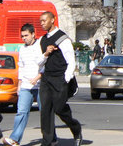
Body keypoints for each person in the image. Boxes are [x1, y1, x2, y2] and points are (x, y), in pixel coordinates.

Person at [38, 11, 82, 146]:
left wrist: (65, 79)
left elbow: (71, 61)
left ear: (53, 20)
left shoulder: (63, 39)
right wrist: (45, 54)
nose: (42, 23)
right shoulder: (43, 39)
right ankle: (48, 141)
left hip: (59, 78)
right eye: (41, 21)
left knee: (59, 108)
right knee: (45, 110)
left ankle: (76, 128)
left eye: (44, 20)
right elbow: (39, 62)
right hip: (46, 79)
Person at [4, 24, 46, 146]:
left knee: (45, 113)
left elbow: (46, 64)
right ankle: (15, 139)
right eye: (22, 36)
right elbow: (21, 67)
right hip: (26, 86)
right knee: (21, 112)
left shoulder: (40, 46)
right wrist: (19, 84)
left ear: (33, 34)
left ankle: (50, 138)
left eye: (26, 35)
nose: (24, 38)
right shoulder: (22, 49)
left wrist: (38, 77)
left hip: (40, 85)